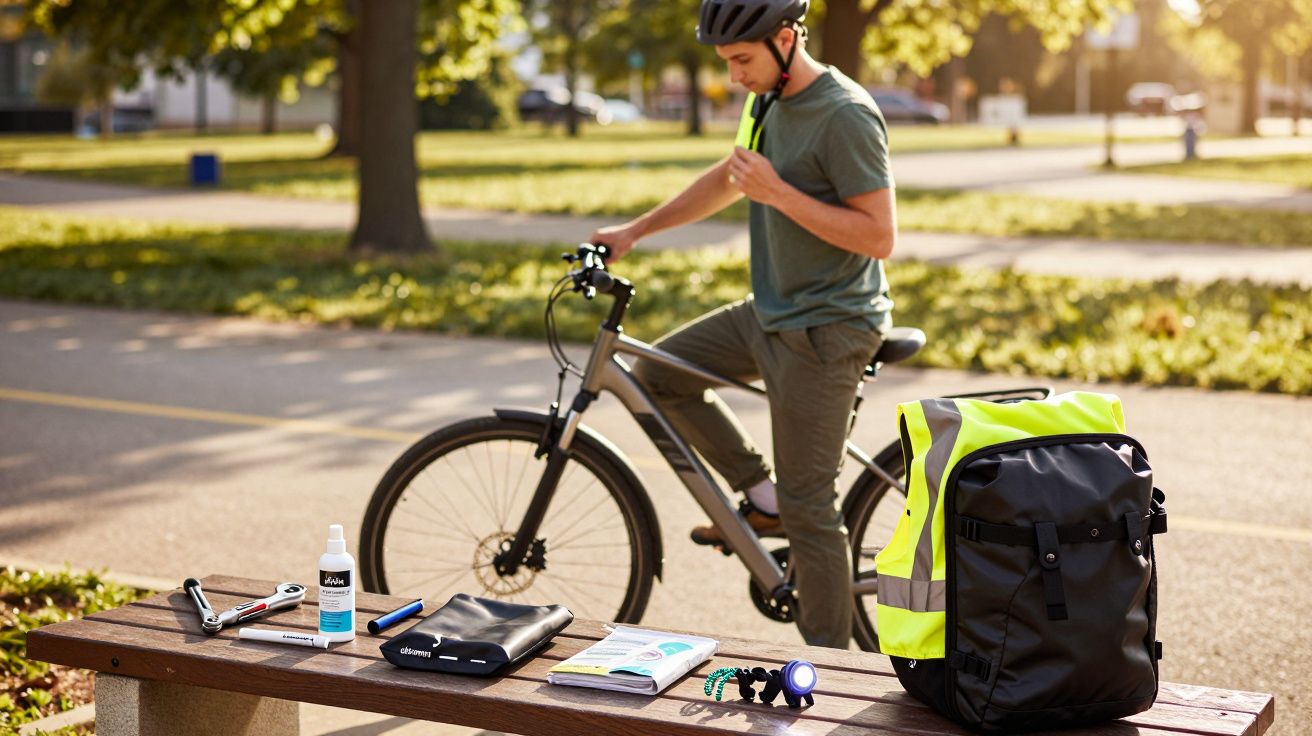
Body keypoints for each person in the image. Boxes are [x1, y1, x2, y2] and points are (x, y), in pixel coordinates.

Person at [590, 0, 896, 649]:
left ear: (785, 40)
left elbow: (879, 236)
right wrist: (637, 230)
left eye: (741, 60)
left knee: (813, 512)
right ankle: (762, 495)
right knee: (659, 374)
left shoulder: (844, 114)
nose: (733, 77)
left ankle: (833, 679)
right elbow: (734, 177)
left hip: (830, 326)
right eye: (728, 62)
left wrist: (780, 193)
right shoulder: (772, 99)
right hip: (773, 311)